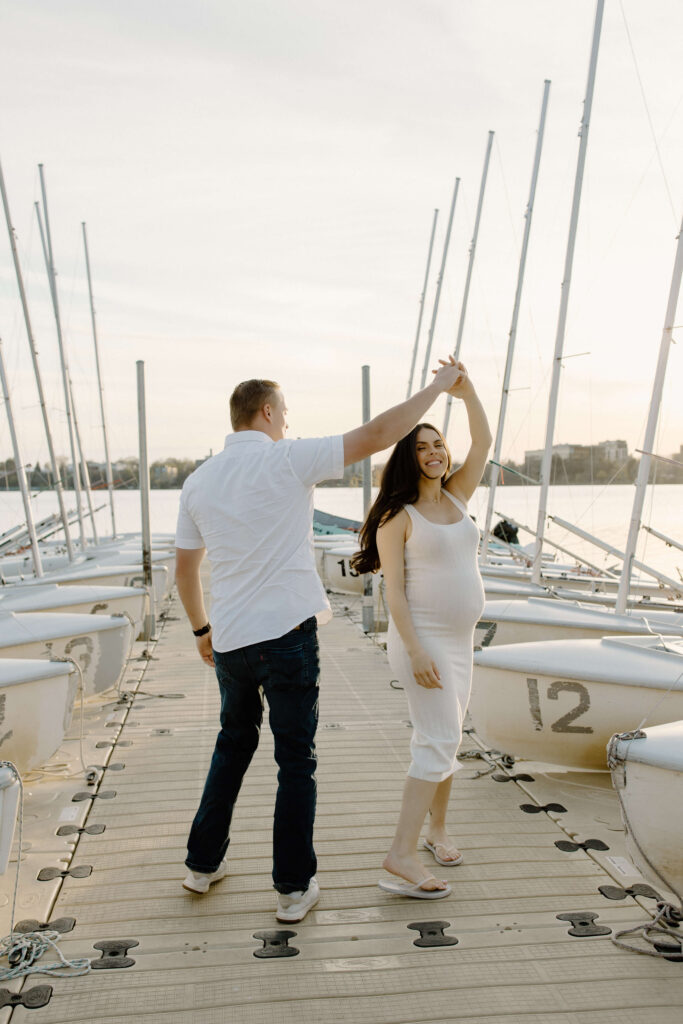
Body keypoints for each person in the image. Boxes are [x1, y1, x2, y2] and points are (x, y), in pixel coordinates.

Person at [174, 357, 465, 922]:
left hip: (230, 638)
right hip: (285, 635)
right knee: (295, 762)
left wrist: (200, 630)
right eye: (283, 412)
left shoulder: (198, 480)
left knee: (232, 747)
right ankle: (291, 889)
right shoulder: (288, 457)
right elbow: (381, 434)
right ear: (266, 411)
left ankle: (201, 867)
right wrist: (437, 386)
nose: (287, 421)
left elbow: (185, 572)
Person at [350, 364, 491, 898]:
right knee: (439, 738)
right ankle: (400, 855)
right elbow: (395, 595)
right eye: (422, 448)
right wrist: (414, 650)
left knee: (444, 737)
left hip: (459, 642)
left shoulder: (456, 496)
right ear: (408, 459)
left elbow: (484, 438)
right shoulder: (397, 517)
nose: (434, 453)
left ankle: (436, 831)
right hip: (424, 640)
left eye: (438, 444)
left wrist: (468, 389)